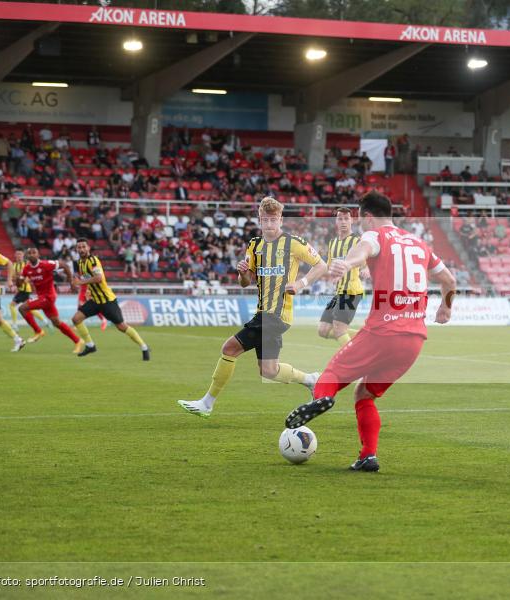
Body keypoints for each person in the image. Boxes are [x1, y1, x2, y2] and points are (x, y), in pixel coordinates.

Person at [284, 192, 457, 472]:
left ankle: (322, 398)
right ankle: (368, 455)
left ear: (366, 216)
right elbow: (449, 280)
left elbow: (363, 249)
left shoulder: (376, 236)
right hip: (414, 340)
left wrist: (347, 264)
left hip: (383, 332)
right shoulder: (419, 242)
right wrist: (445, 308)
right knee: (364, 394)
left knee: (332, 375)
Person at [178, 197, 328, 418]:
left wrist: (300, 283)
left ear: (280, 220)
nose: (269, 224)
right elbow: (246, 282)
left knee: (229, 348)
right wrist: (242, 273)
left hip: (276, 314)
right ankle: (311, 380)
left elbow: (321, 265)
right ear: (259, 220)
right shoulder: (254, 246)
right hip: (263, 313)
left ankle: (207, 403)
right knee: (268, 370)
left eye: (273, 219)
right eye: (265, 219)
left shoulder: (293, 243)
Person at [70, 239, 150, 359]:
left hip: (107, 301)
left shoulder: (93, 260)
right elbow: (90, 279)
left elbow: (98, 278)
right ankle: (90, 346)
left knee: (122, 326)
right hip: (95, 301)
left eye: (83, 247)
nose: (81, 249)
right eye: (79, 247)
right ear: (77, 249)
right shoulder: (80, 263)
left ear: (88, 248)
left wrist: (80, 282)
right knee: (76, 319)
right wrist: (88, 290)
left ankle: (144, 347)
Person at [17, 247, 82, 352]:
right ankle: (78, 341)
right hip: (43, 298)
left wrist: (71, 282)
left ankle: (38, 331)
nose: (32, 254)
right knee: (56, 322)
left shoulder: (46, 264)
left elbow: (65, 265)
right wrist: (18, 279)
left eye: (34, 252)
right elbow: (19, 284)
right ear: (27, 256)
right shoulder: (26, 269)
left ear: (38, 255)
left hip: (49, 296)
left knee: (22, 308)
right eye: (29, 253)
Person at [318, 208, 364, 346]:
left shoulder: (357, 241)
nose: (343, 222)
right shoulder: (333, 243)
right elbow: (330, 266)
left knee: (338, 328)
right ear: (336, 221)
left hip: (351, 291)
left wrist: (366, 269)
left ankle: (353, 359)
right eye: (340, 218)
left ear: (352, 220)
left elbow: (365, 259)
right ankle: (367, 338)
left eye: (346, 218)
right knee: (323, 330)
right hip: (338, 293)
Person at [9, 249, 50, 333]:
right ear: (15, 255)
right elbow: (13, 277)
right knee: (29, 308)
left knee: (12, 305)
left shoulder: (27, 264)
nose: (18, 256)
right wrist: (15, 282)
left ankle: (14, 324)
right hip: (21, 290)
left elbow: (30, 276)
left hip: (25, 290)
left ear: (23, 255)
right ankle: (45, 320)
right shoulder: (14, 265)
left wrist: (23, 281)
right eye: (17, 254)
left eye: (20, 254)